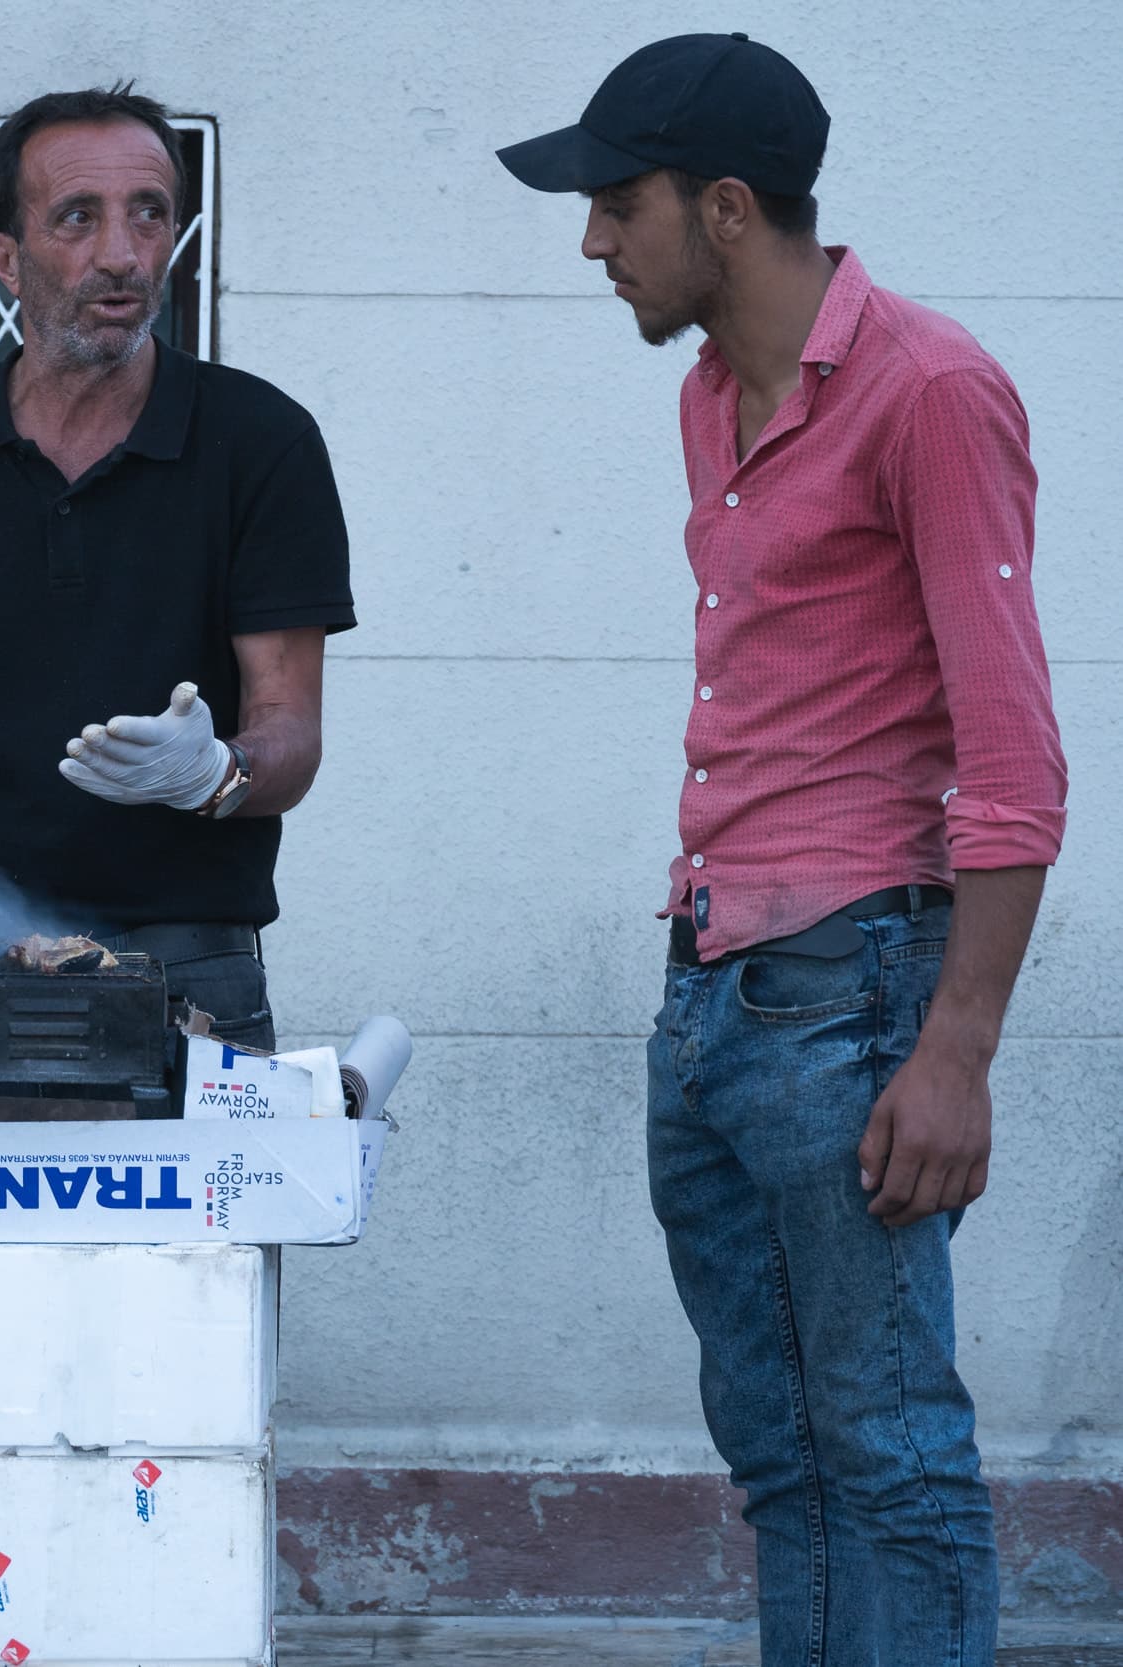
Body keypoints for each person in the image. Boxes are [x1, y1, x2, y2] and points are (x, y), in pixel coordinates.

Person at [499, 34, 1066, 1665]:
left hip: (855, 996)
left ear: (726, 208)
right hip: (717, 992)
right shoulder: (711, 398)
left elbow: (1017, 754)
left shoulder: (929, 393)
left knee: (889, 1455)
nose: (595, 241)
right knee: (790, 1462)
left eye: (618, 204)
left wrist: (956, 1049)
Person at [0, 85, 354, 1046]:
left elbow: (291, 730)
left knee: (191, 1207)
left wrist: (215, 773)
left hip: (186, 964)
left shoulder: (261, 440)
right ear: (6, 260)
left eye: (150, 213)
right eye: (78, 218)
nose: (122, 253)